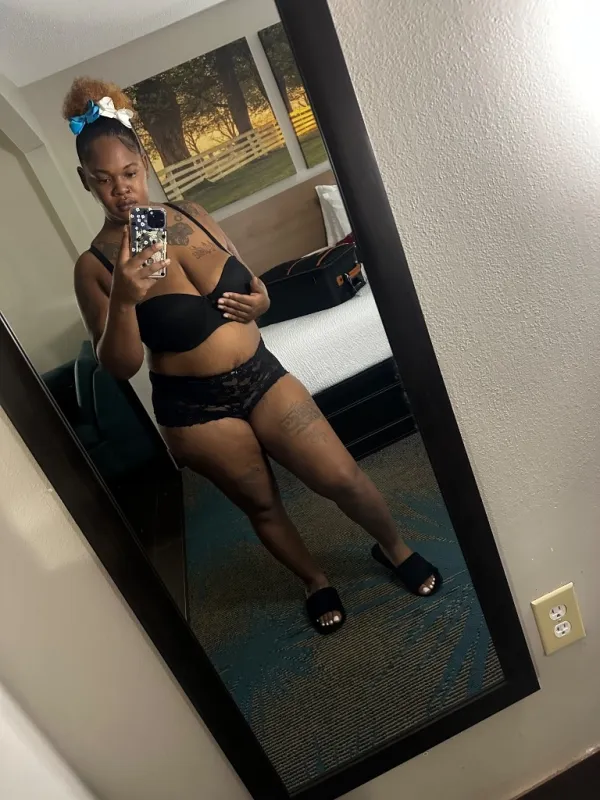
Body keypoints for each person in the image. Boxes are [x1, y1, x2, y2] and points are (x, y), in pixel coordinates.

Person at [65, 77, 442, 634]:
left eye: (129, 173)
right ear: (85, 181)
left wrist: (262, 300)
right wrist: (123, 297)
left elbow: (250, 285)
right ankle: (314, 580)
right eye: (103, 180)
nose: (122, 191)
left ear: (144, 164)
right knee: (263, 505)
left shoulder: (192, 213)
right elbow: (121, 367)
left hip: (261, 375)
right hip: (195, 409)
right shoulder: (95, 266)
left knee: (341, 475)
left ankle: (394, 547)